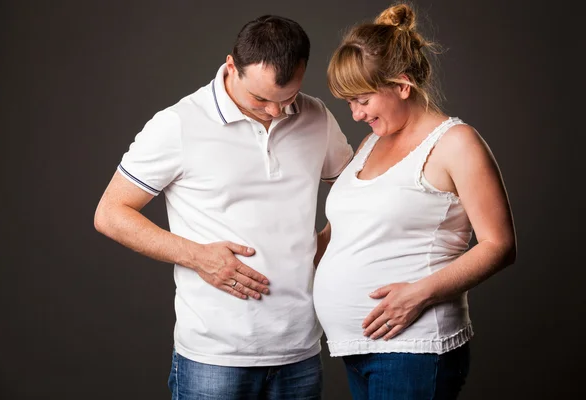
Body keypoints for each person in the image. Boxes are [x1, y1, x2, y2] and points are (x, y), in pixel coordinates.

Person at [93, 15, 353, 400]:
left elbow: (359, 196)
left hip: (301, 350)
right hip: (213, 358)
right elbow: (110, 213)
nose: (276, 111)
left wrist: (320, 250)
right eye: (261, 99)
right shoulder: (178, 124)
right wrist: (198, 256)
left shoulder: (316, 117)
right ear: (231, 66)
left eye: (288, 97)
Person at [313, 3, 517, 399]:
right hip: (360, 349)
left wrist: (418, 294)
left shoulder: (456, 143)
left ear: (402, 86)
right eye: (349, 103)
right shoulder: (374, 141)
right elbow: (346, 230)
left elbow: (500, 245)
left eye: (363, 100)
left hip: (414, 349)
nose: (355, 115)